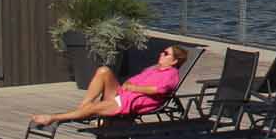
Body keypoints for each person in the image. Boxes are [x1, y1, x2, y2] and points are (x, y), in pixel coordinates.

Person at [30, 45, 187, 127]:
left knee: (93, 109)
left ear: (174, 61)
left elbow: (157, 90)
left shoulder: (170, 74)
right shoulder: (153, 68)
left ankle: (53, 118)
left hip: (130, 102)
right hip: (123, 94)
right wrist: (128, 84)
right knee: (104, 70)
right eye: (162, 52)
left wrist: (134, 89)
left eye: (166, 54)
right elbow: (133, 80)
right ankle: (83, 107)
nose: (161, 54)